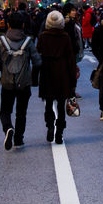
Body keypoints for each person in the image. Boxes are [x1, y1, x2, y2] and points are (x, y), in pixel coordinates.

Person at [0, 13, 42, 150]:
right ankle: (19, 139)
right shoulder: (28, 42)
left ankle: (8, 128)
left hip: (7, 82)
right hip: (24, 82)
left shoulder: (1, 41)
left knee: (5, 110)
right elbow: (37, 61)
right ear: (23, 25)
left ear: (8, 25)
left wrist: (4, 70)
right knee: (21, 112)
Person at [37, 11, 76, 144]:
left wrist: (34, 77)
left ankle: (49, 126)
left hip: (47, 73)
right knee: (60, 104)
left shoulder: (43, 37)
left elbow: (38, 56)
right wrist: (73, 79)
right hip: (62, 73)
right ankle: (59, 131)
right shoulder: (65, 37)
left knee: (48, 103)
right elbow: (71, 59)